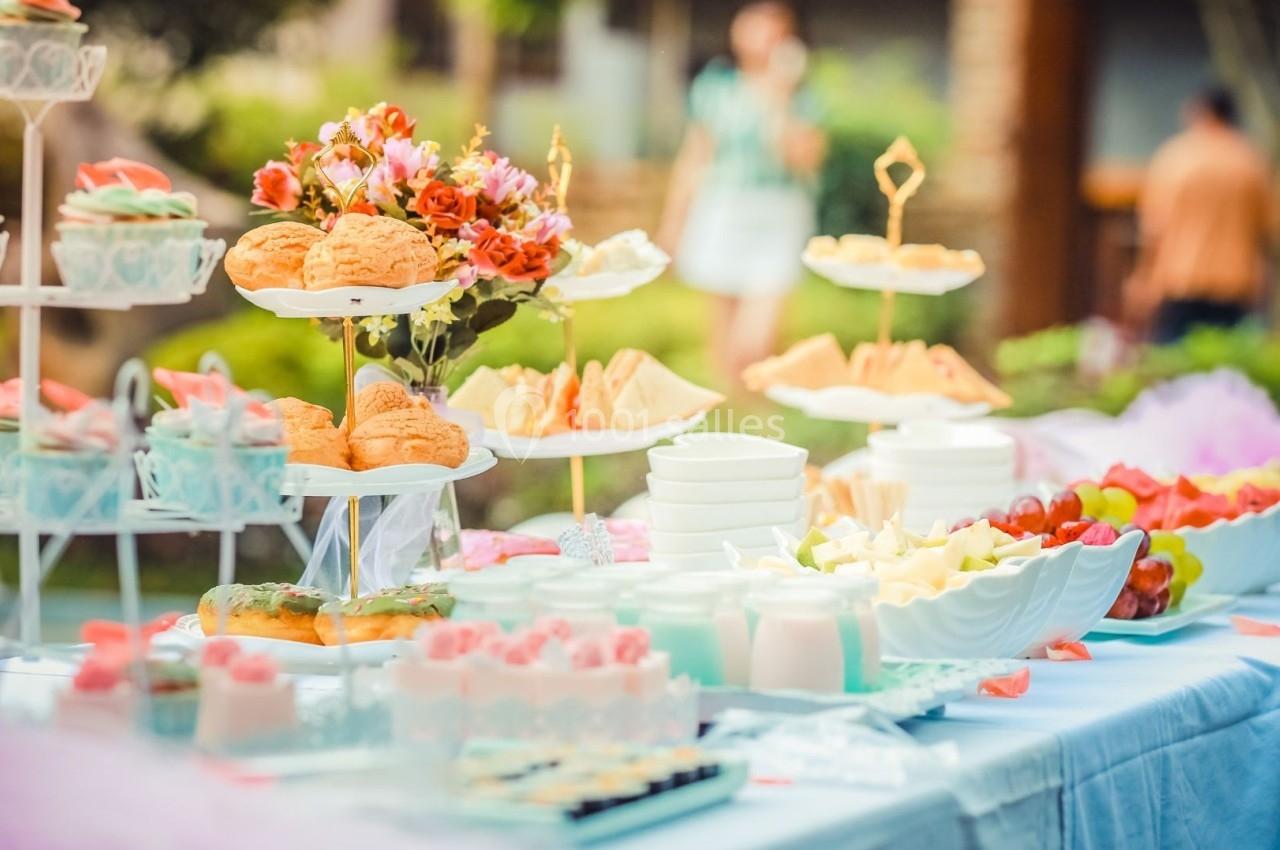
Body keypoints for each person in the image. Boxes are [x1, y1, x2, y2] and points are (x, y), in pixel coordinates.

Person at [656, 2, 826, 385]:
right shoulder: (716, 86)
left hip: (778, 213)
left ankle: (758, 409)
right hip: (723, 208)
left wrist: (779, 97)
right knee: (722, 333)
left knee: (755, 340)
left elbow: (803, 160)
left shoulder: (801, 96)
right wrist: (672, 227)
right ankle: (737, 419)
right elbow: (694, 158)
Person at [1126, 87, 1276, 343]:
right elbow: (1270, 227)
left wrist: (1142, 276)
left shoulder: (1176, 157)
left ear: (1201, 112)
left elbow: (1154, 226)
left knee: (1173, 363)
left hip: (1180, 277)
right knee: (1228, 368)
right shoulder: (1252, 161)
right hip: (1236, 281)